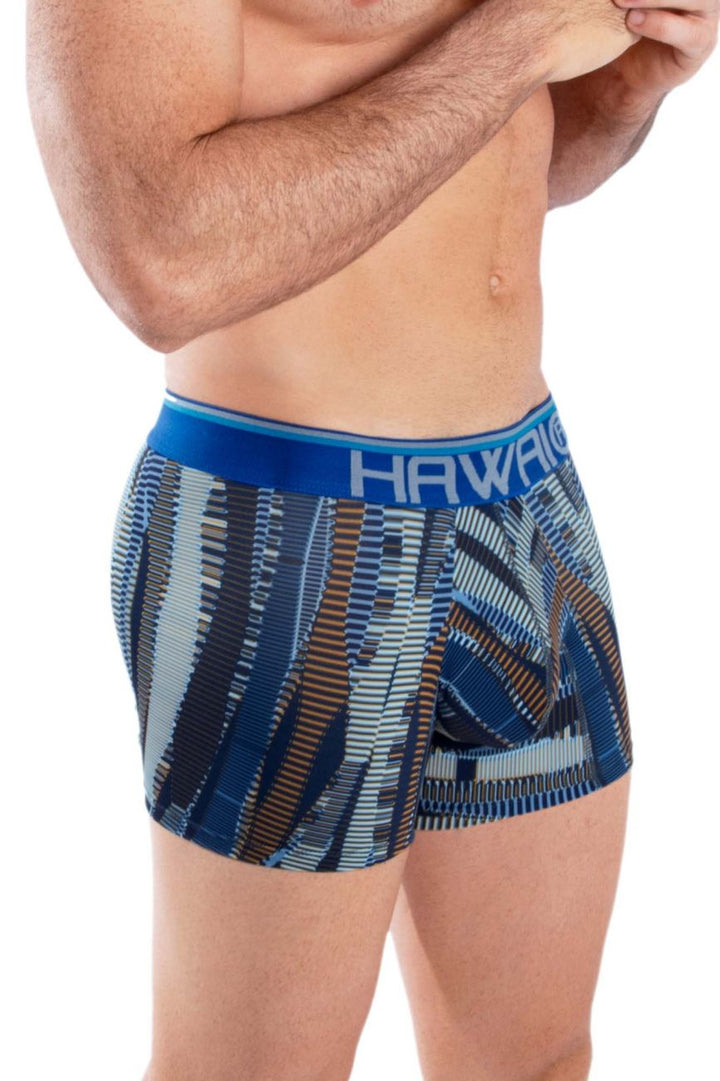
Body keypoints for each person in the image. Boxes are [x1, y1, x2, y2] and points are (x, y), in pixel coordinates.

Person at [26, 1, 717, 1079]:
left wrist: (631, 85)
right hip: (290, 527)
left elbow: (489, 155)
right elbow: (157, 257)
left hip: (526, 499)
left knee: (539, 1061)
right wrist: (517, 37)